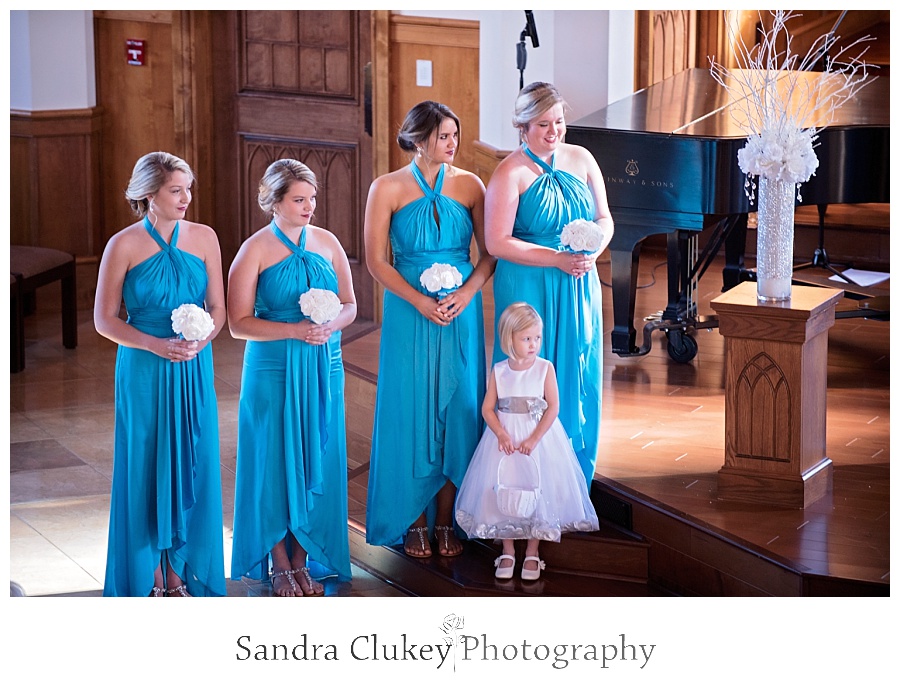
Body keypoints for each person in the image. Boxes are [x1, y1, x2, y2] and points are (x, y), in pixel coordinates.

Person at [365, 100, 495, 558]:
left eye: (455, 135)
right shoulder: (387, 188)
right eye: (444, 136)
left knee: (461, 407)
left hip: (461, 312)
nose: (453, 144)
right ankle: (413, 520)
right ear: (419, 139)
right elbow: (376, 261)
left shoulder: (471, 185)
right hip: (409, 311)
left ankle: (449, 520)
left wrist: (468, 293)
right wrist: (420, 300)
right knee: (411, 411)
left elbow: (489, 252)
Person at [95, 151, 226, 597]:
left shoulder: (205, 237)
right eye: (176, 190)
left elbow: (219, 309)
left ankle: (180, 573)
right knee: (145, 465)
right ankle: (148, 577)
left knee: (194, 460)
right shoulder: (124, 245)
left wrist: (198, 342)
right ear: (149, 195)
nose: (186, 197)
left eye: (188, 188)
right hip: (144, 368)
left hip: (192, 366)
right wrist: (156, 344)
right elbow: (104, 320)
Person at [228, 159, 356, 596]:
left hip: (324, 363)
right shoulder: (255, 249)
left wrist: (329, 326)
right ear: (274, 202)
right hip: (273, 368)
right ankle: (278, 561)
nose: (309, 207)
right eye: (299, 200)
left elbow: (350, 305)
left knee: (319, 456)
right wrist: (294, 331)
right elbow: (237, 323)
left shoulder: (328, 242)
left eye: (312, 198)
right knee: (272, 462)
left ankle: (303, 557)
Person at [485, 81, 614, 489]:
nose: (554, 131)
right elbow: (497, 242)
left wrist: (594, 250)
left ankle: (572, 479)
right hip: (529, 282)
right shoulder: (510, 172)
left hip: (577, 279)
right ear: (522, 127)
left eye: (558, 121)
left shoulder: (582, 158)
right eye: (543, 124)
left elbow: (605, 219)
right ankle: (521, 477)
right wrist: (557, 258)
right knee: (527, 372)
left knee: (579, 364)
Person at [455, 302, 599, 581]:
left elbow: (553, 407)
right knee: (503, 486)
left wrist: (534, 438)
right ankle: (507, 547)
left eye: (537, 338)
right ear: (509, 339)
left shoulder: (544, 368)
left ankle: (532, 550)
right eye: (526, 339)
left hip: (538, 438)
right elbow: (488, 408)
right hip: (506, 439)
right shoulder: (500, 371)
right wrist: (500, 433)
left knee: (538, 487)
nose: (534, 344)